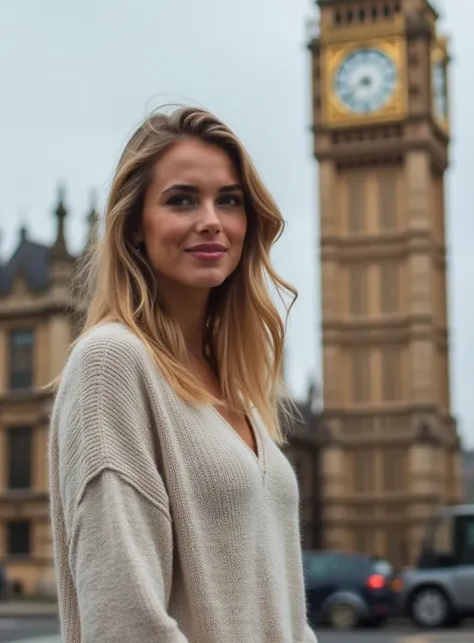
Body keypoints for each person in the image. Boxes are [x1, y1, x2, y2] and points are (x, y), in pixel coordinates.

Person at [49, 106, 318, 643]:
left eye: (230, 200)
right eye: (181, 200)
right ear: (133, 229)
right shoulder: (112, 363)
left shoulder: (237, 387)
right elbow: (127, 623)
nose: (211, 219)